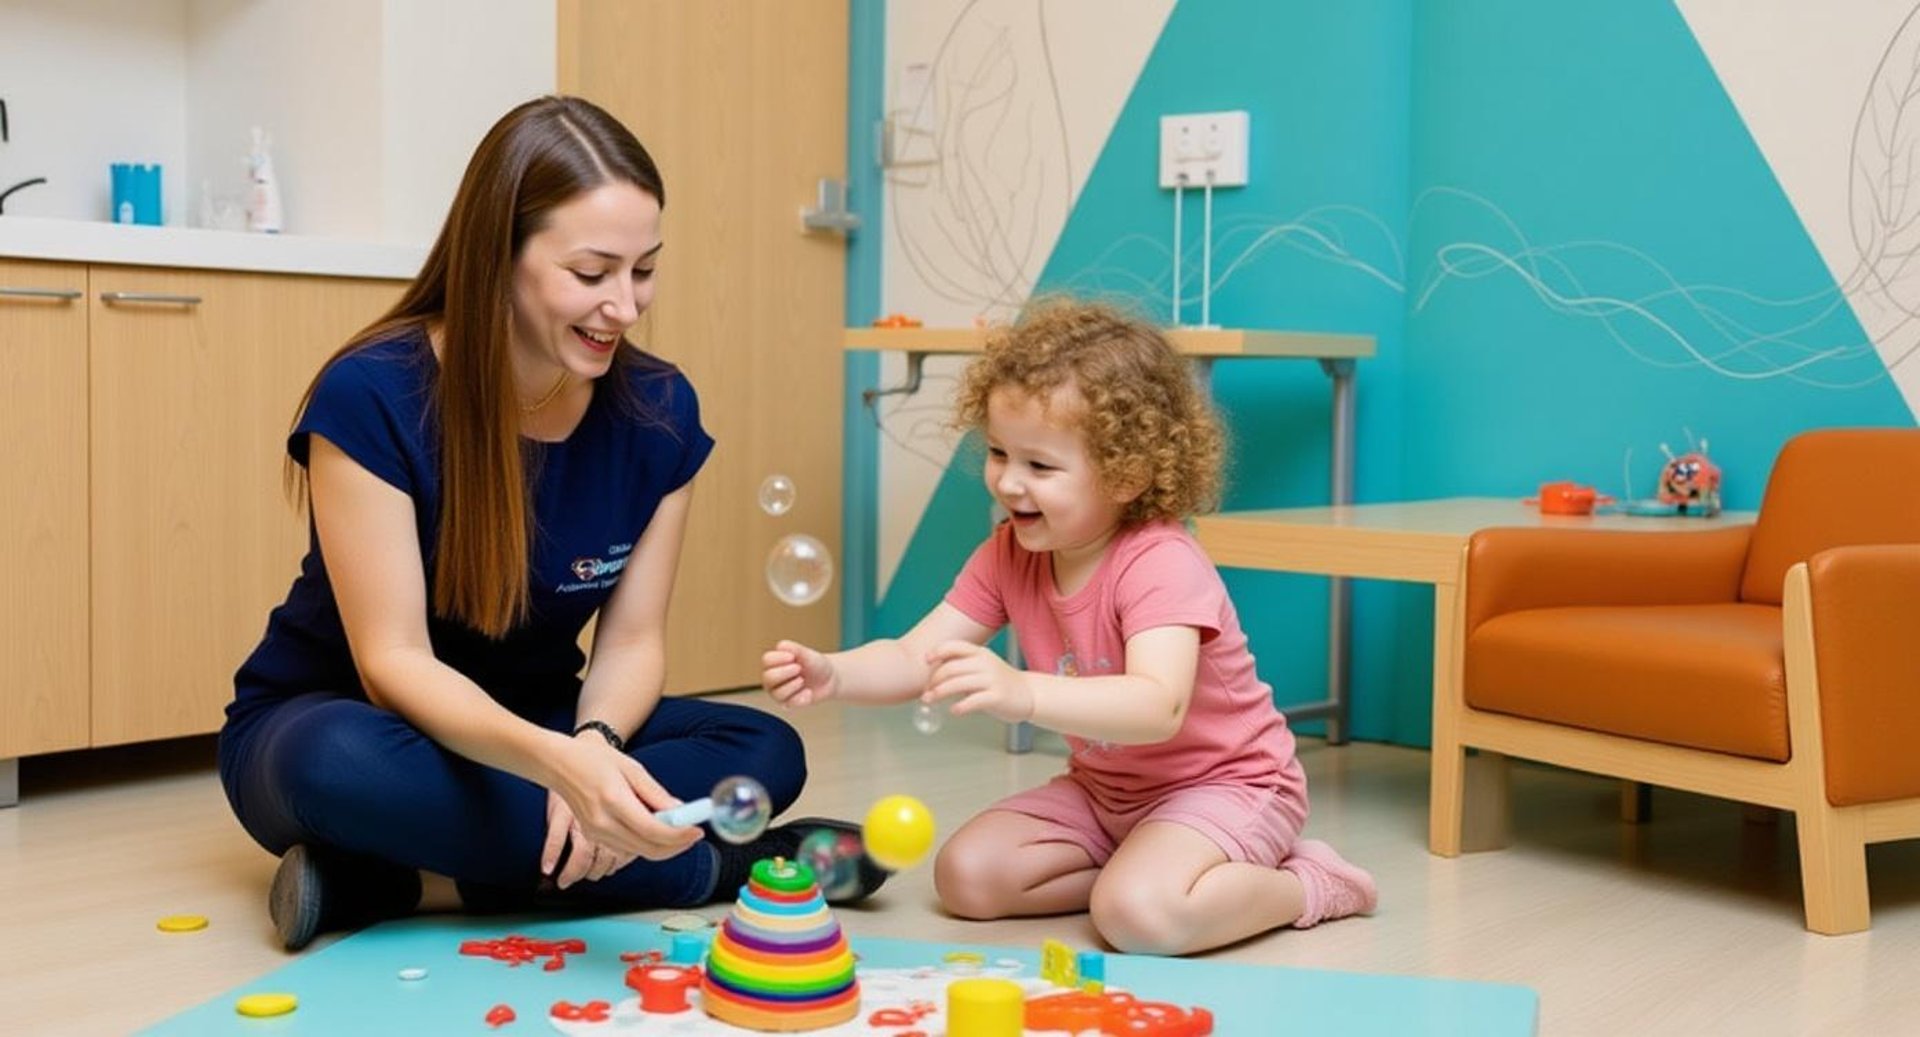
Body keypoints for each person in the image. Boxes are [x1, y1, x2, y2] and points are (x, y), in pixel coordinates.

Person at [218, 95, 879, 953]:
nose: (625, 305)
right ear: (500, 256)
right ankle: (723, 868)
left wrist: (594, 745)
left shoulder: (660, 410)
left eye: (644, 270)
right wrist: (560, 769)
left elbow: (633, 642)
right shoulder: (373, 393)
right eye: (592, 272)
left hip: (546, 719)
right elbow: (393, 663)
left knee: (763, 743)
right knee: (332, 764)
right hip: (344, 719)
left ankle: (403, 882)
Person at [762, 300, 1376, 955]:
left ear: (1128, 473)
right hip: (1106, 790)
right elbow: (917, 653)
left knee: (1139, 916)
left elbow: (1157, 704)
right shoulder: (1008, 552)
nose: (1009, 483)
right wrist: (836, 672)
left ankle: (1308, 883)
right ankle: (1150, 863)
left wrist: (1023, 691)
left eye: (1041, 466)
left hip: (1228, 785)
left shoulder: (1160, 559)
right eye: (1000, 453)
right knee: (966, 877)